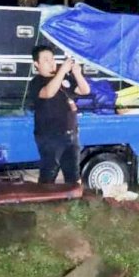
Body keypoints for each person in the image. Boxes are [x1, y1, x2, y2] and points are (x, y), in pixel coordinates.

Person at [29, 45, 90, 185]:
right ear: (36, 64)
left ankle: (73, 202)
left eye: (52, 59)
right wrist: (62, 71)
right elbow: (49, 92)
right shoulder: (36, 82)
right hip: (49, 136)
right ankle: (44, 202)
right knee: (48, 174)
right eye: (46, 60)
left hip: (71, 135)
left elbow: (85, 90)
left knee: (73, 174)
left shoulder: (64, 79)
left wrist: (77, 73)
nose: (51, 62)